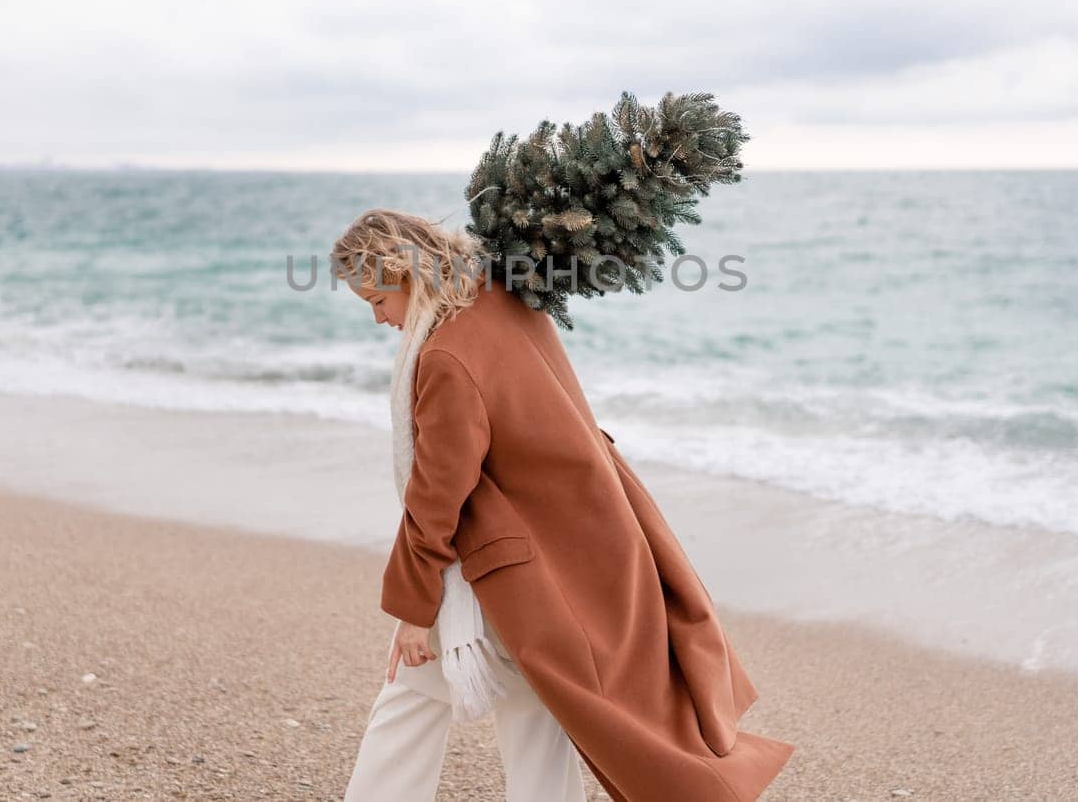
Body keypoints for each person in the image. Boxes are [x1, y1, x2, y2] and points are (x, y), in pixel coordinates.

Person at [333, 209, 793, 802]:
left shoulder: (446, 355)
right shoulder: (503, 298)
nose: (379, 319)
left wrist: (414, 607)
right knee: (531, 710)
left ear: (405, 274)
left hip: (521, 571)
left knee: (413, 690)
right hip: (584, 546)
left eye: (376, 300)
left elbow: (436, 493)